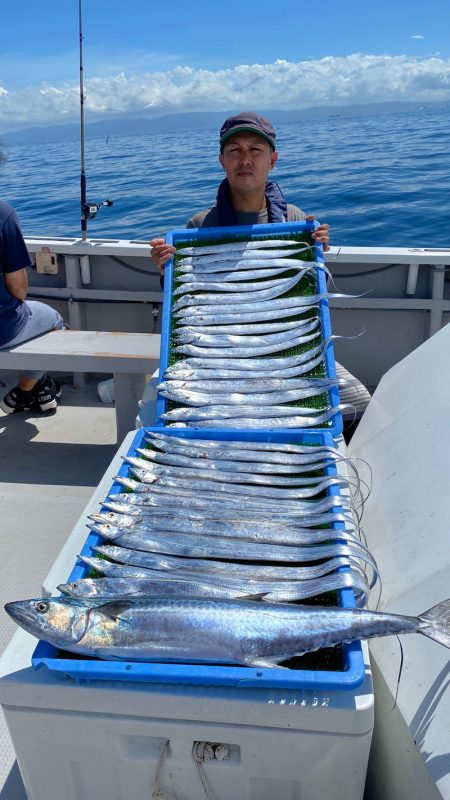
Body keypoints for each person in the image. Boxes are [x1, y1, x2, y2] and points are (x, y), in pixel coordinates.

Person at [150, 111, 371, 433]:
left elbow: (308, 298)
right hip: (221, 353)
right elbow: (188, 305)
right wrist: (166, 270)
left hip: (286, 349)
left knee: (360, 403)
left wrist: (317, 257)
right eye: (235, 151)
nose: (245, 160)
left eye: (255, 150)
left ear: (273, 159)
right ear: (222, 161)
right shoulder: (199, 226)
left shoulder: (294, 220)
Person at [0, 193, 64, 414]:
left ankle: (35, 389)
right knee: (55, 320)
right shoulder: (3, 214)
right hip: (3, 330)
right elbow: (18, 289)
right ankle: (25, 391)